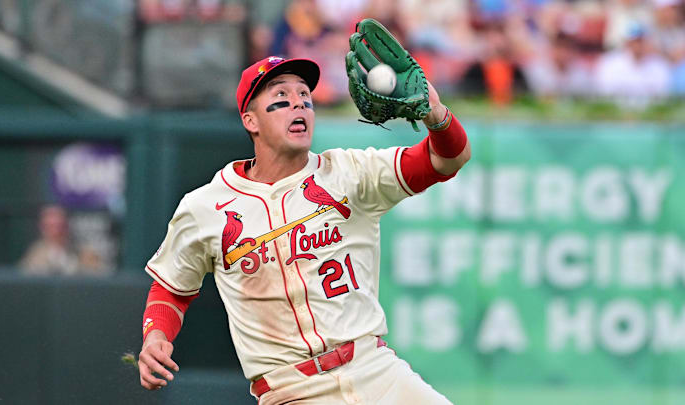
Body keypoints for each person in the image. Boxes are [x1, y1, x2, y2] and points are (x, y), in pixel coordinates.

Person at [137, 55, 470, 404]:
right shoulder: (205, 207)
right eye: (281, 98)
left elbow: (447, 159)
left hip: (375, 372)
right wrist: (156, 336)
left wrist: (437, 115)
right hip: (292, 391)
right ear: (250, 120)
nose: (298, 103)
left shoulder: (351, 173)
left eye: (305, 97)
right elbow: (172, 288)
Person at [20, 205, 79, 276]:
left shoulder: (81, 252)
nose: (56, 232)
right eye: (51, 227)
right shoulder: (34, 254)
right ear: (42, 228)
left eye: (60, 226)